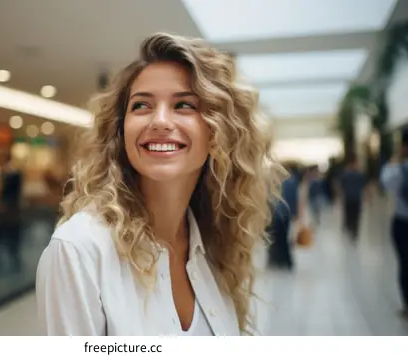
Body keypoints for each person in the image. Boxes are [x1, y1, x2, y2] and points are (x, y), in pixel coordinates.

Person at [35, 33, 282, 336]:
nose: (160, 121)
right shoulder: (80, 249)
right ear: (120, 132)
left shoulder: (215, 239)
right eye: (141, 106)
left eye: (183, 105)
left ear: (219, 132)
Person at [381, 126, 408, 321]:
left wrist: (395, 161)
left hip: (403, 222)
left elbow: (386, 183)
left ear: (404, 146)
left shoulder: (397, 169)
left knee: (404, 265)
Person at [339, 157, 367, 241]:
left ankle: (354, 230)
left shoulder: (359, 174)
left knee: (355, 215)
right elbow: (341, 185)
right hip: (349, 198)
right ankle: (350, 228)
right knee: (350, 215)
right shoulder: (346, 174)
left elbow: (364, 185)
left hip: (356, 198)